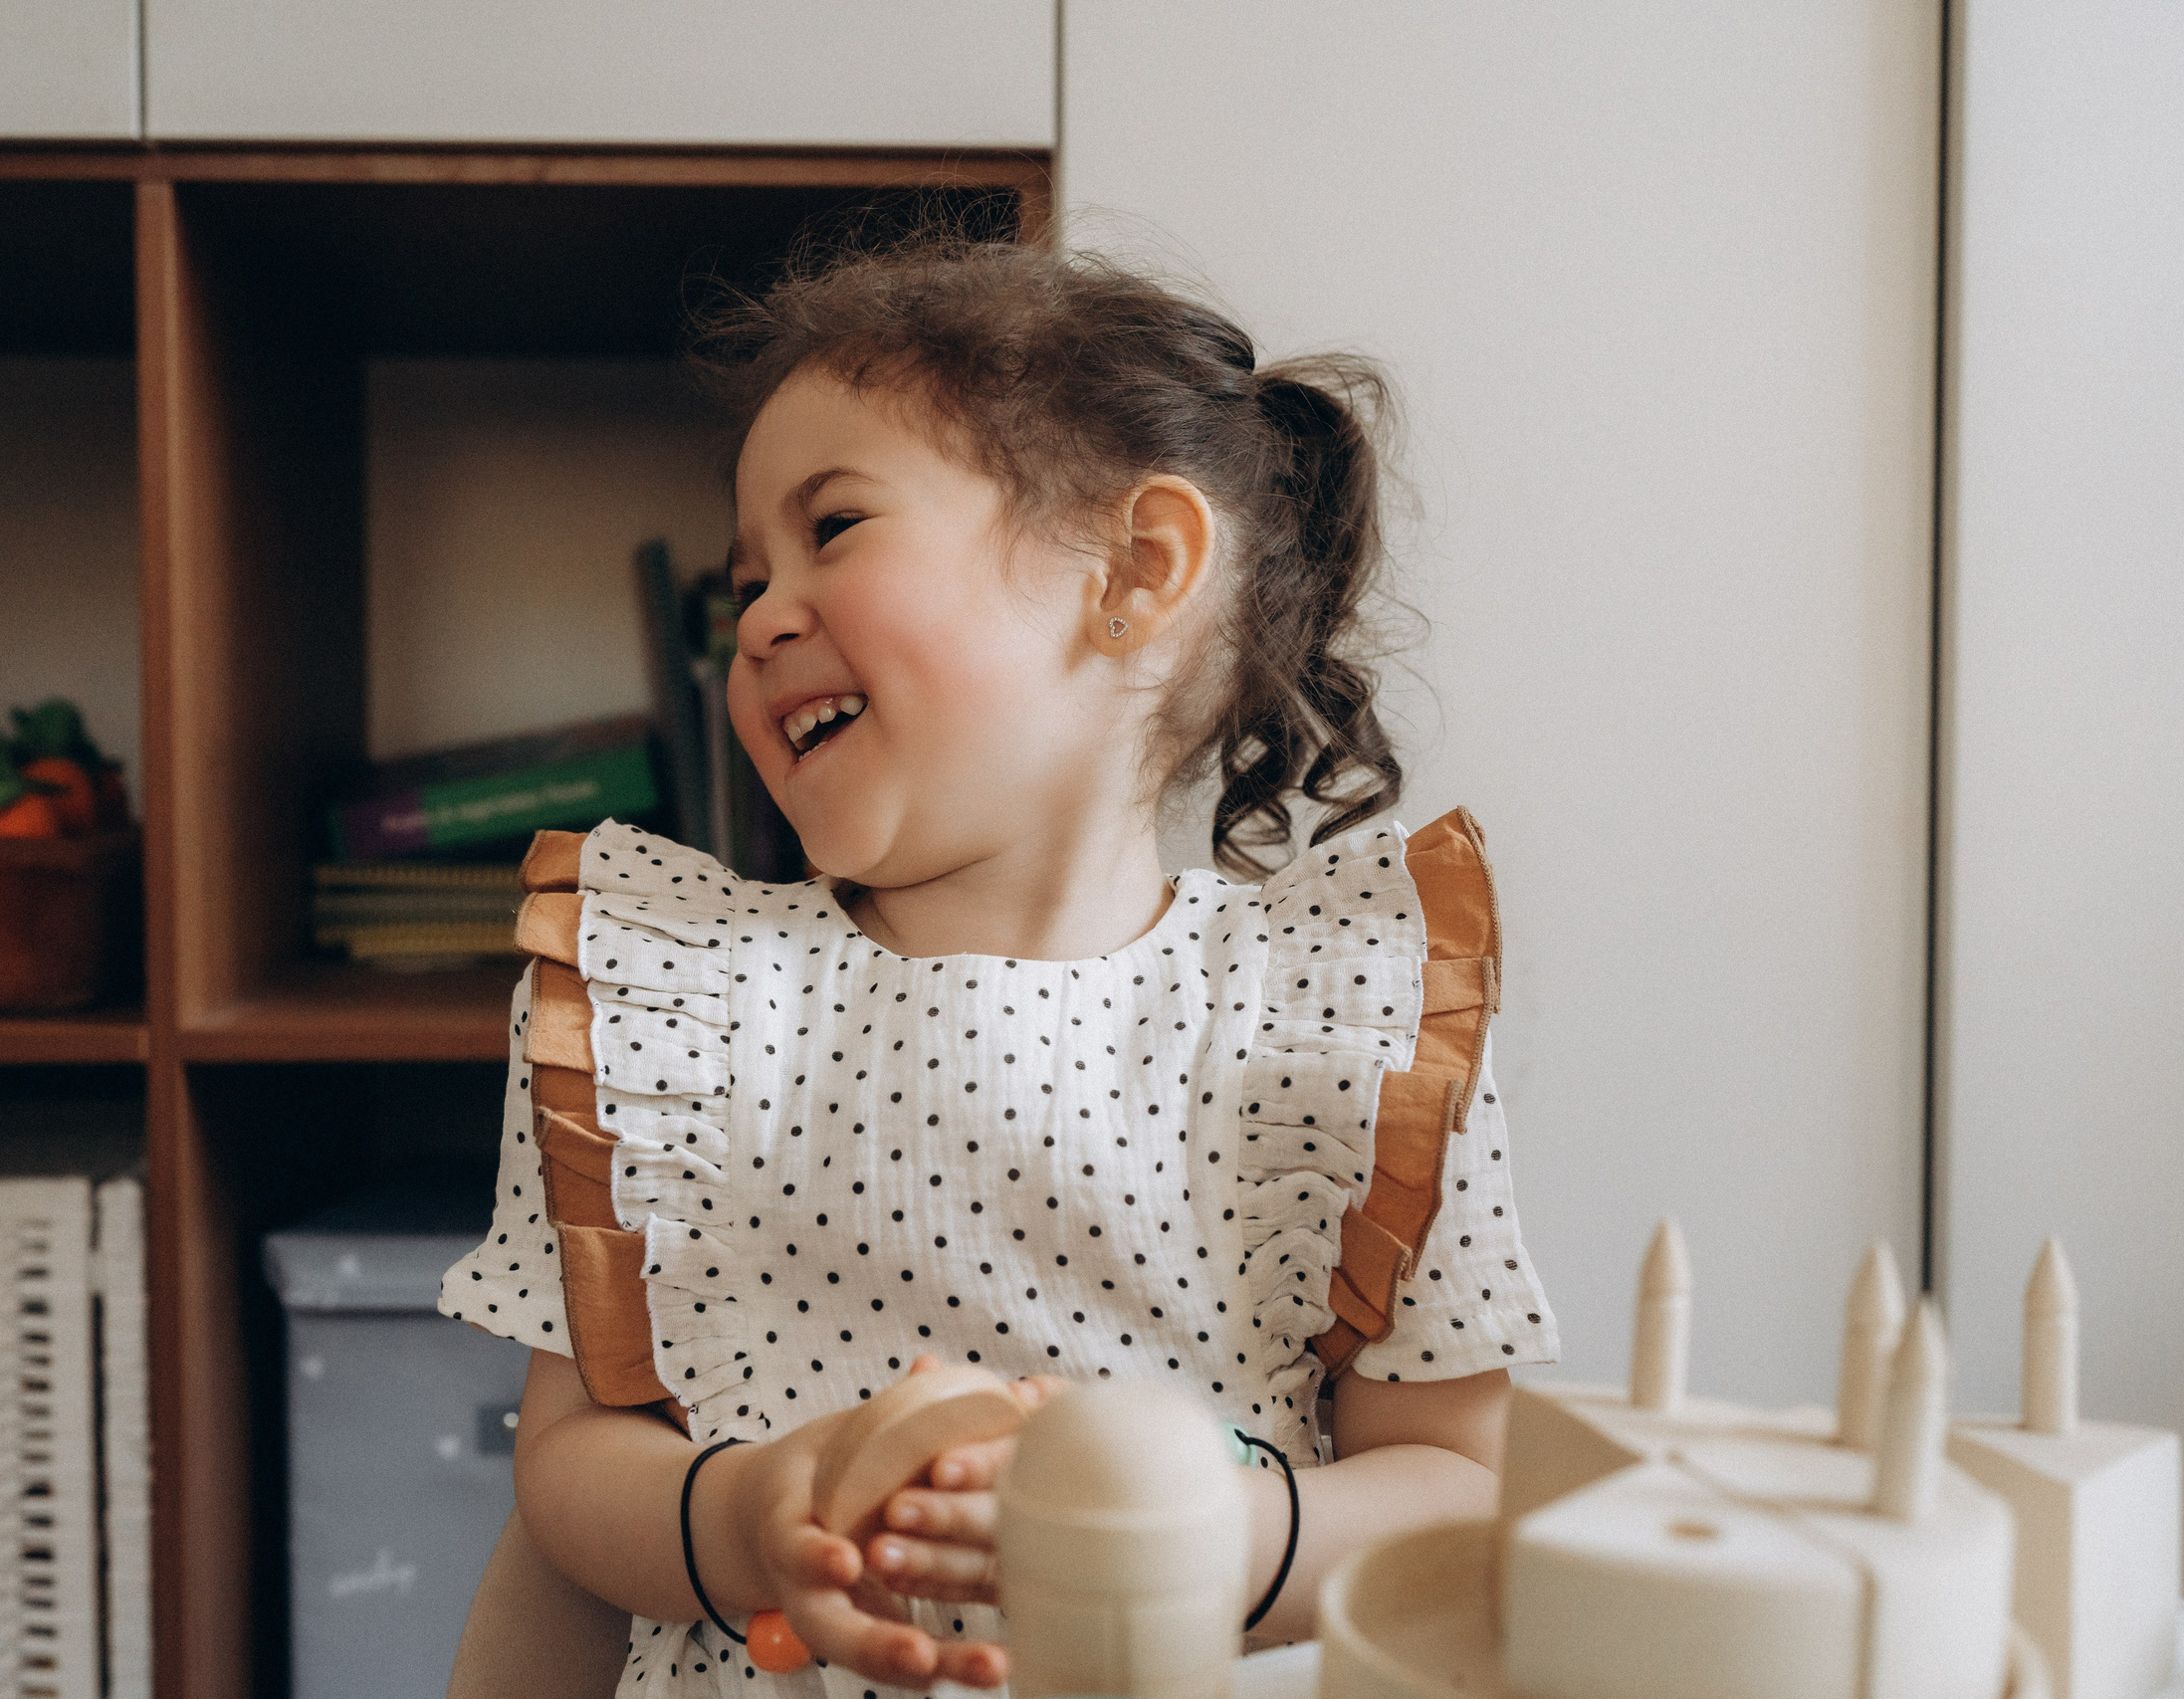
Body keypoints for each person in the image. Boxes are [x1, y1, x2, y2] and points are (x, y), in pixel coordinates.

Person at [437, 235, 1560, 1698]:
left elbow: (1458, 1490)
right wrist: (739, 1518)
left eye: (832, 529)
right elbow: (573, 1465)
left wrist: (1224, 1538)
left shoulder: (1332, 1014)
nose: (762, 616)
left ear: (1135, 573)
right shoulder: (675, 1007)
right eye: (747, 577)